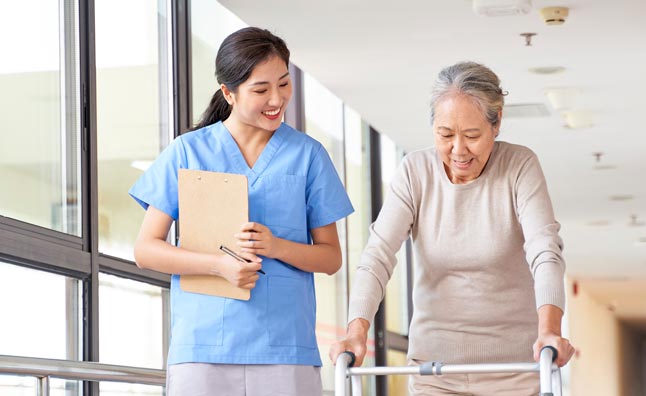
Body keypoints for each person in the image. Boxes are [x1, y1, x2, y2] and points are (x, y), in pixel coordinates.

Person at [130, 27, 353, 396]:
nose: (277, 99)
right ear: (228, 93)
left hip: (286, 347)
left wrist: (276, 246)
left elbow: (331, 258)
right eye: (261, 90)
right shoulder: (187, 153)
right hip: (202, 349)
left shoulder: (308, 155)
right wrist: (218, 266)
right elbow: (145, 249)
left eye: (283, 84)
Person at [329, 61, 574, 395]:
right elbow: (378, 256)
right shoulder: (415, 172)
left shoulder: (519, 167)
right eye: (445, 135)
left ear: (497, 122)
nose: (458, 150)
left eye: (472, 136)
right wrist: (356, 331)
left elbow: (545, 250)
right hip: (436, 369)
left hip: (514, 369)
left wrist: (550, 330)